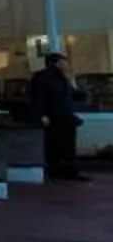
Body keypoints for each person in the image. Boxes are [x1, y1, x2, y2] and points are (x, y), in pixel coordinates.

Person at [28, 51, 85, 183]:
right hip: (53, 116)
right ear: (55, 63)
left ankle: (67, 170)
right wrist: (42, 114)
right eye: (63, 62)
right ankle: (56, 170)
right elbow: (37, 97)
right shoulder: (43, 77)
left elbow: (74, 95)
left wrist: (73, 83)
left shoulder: (63, 78)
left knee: (68, 144)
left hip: (65, 116)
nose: (66, 65)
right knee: (55, 144)